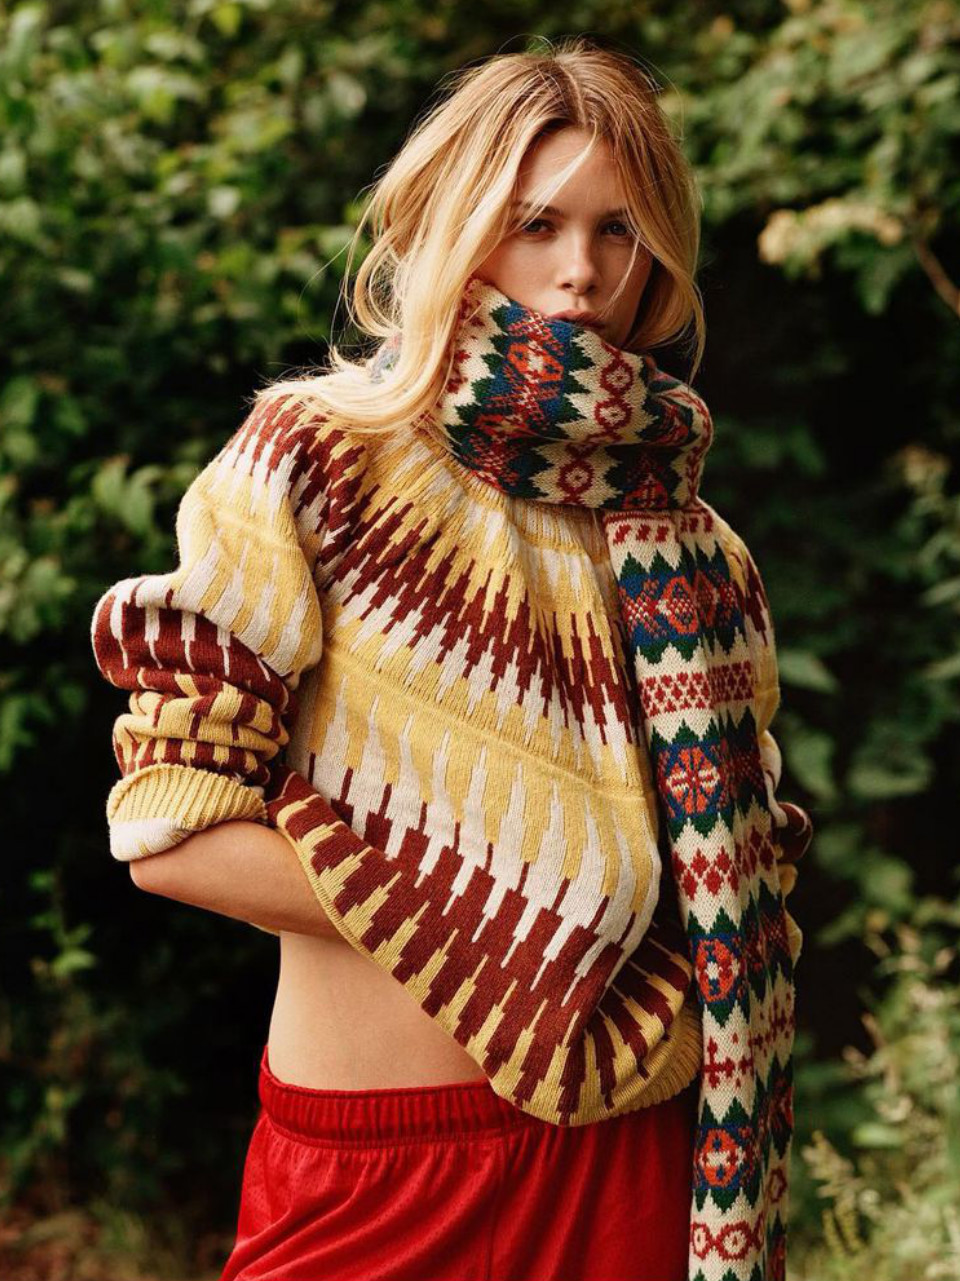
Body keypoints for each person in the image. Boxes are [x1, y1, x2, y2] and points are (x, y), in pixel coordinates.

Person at [90, 36, 811, 1281]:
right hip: (372, 1176)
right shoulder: (320, 458)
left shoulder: (700, 552)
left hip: (626, 1164)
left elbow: (749, 884)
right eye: (536, 224)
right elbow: (172, 827)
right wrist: (524, 920)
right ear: (456, 227)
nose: (581, 272)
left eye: (620, 231)